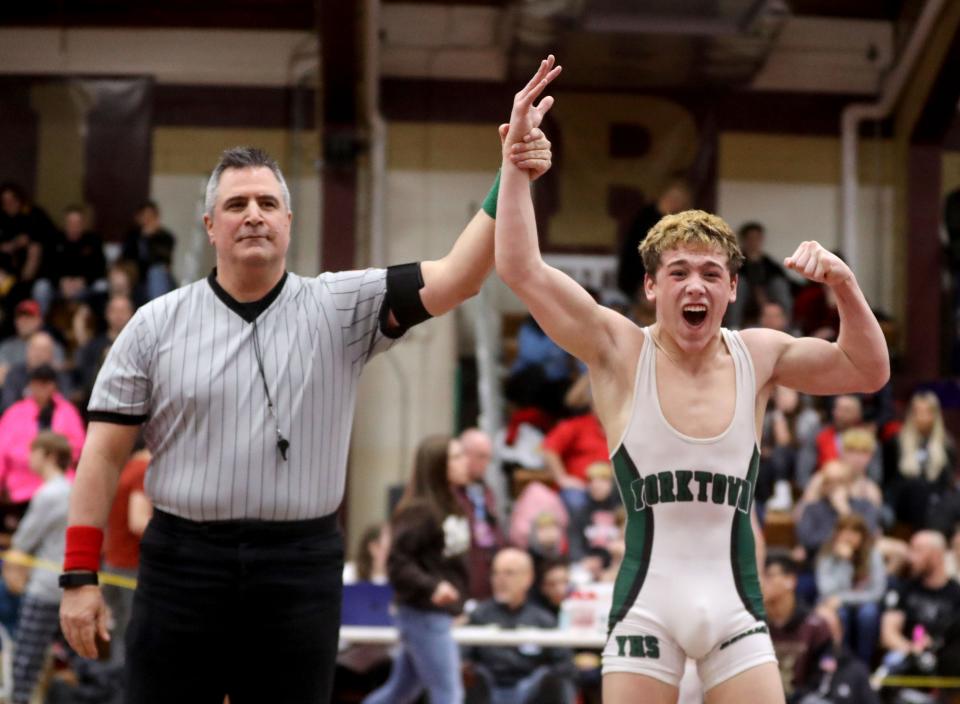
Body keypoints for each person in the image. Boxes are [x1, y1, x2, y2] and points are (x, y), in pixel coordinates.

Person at [59, 60, 557, 704]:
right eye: (235, 204)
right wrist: (78, 575)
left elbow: (460, 275)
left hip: (298, 567)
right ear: (210, 226)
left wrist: (510, 173)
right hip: (182, 563)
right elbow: (100, 454)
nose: (254, 215)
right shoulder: (154, 325)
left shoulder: (340, 306)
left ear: (290, 222)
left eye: (269, 202)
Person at [494, 55, 889, 702]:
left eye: (710, 273)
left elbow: (869, 372)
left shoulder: (758, 354)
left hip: (736, 612)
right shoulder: (619, 349)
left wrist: (844, 285)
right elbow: (520, 270)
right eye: (678, 272)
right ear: (650, 287)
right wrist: (513, 170)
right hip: (647, 610)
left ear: (733, 288)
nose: (694, 285)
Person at [363, 435, 471, 704]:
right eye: (456, 457)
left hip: (435, 613)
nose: (464, 462)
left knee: (402, 691)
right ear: (438, 466)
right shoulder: (421, 510)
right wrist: (433, 587)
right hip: (423, 613)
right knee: (449, 693)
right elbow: (397, 563)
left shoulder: (453, 504)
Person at [5, 432, 72, 704]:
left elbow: (24, 540)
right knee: (54, 655)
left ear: (50, 456)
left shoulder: (49, 494)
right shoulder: (69, 488)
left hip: (44, 586)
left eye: (35, 451)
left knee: (26, 657)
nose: (29, 458)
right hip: (65, 584)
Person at [463, 547, 576, 704]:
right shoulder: (479, 614)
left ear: (528, 578)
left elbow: (564, 663)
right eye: (496, 573)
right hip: (488, 688)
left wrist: (548, 677)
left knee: (555, 681)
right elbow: (463, 656)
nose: (500, 579)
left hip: (530, 688)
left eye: (509, 573)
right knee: (471, 677)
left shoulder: (543, 619)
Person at [0, 364, 85, 505]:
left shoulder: (68, 412)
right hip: (20, 489)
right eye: (37, 384)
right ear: (30, 386)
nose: (41, 388)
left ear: (54, 386)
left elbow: (79, 446)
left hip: (61, 484)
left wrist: (53, 456)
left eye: (46, 383)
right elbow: (2, 450)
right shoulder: (14, 413)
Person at [880, 531, 960, 672]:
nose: (910, 558)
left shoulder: (956, 594)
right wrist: (912, 650)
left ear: (936, 555)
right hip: (906, 657)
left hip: (943, 662)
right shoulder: (904, 588)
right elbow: (888, 633)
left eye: (917, 551)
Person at [101, 440, 151, 665]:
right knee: (132, 638)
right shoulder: (142, 470)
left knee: (119, 633)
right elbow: (138, 521)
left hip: (114, 563)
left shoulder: (129, 466)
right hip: (131, 567)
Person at [815, 514, 885, 664]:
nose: (849, 537)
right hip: (836, 606)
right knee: (840, 613)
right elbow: (826, 591)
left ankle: (864, 663)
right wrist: (843, 562)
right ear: (837, 533)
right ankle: (842, 662)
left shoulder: (873, 555)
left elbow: (877, 593)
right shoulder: (828, 555)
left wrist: (843, 598)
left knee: (868, 613)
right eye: (844, 531)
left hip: (863, 604)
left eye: (854, 532)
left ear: (862, 535)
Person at [763, 553, 834, 700]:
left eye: (769, 575)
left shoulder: (815, 626)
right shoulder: (752, 624)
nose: (762, 581)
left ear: (791, 580)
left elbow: (825, 675)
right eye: (760, 575)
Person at [885, 391, 957, 532]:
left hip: (935, 500)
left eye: (928, 411)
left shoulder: (947, 444)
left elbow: (947, 482)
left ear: (936, 415)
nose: (923, 416)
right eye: (918, 411)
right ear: (911, 413)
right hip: (904, 499)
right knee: (917, 487)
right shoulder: (896, 442)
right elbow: (888, 479)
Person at [458, 427, 503, 600]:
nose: (486, 463)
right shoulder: (450, 494)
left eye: (488, 457)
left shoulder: (485, 491)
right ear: (465, 455)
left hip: (487, 575)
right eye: (481, 456)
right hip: (463, 575)